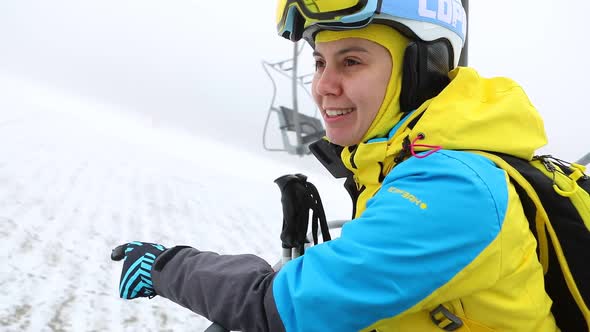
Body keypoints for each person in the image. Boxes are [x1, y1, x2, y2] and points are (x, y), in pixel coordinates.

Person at [111, 1, 560, 331]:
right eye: (320, 62)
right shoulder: (398, 164)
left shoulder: (452, 188)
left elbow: (281, 310)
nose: (324, 85)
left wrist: (164, 267)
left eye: (351, 61)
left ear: (422, 69)